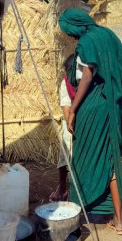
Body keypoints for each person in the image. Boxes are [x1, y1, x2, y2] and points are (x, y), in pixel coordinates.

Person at [59, 8, 122, 236]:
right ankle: (119, 220)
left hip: (93, 106)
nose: (70, 36)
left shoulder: (87, 42)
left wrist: (73, 109)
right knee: (110, 160)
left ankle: (75, 216)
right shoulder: (107, 35)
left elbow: (88, 75)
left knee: (83, 158)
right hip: (111, 103)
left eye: (68, 31)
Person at [49, 54, 76, 202]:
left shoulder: (67, 84)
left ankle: (64, 191)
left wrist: (70, 122)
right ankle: (63, 189)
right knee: (66, 158)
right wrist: (71, 123)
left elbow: (66, 109)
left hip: (73, 126)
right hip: (73, 126)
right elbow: (67, 111)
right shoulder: (71, 83)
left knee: (66, 159)